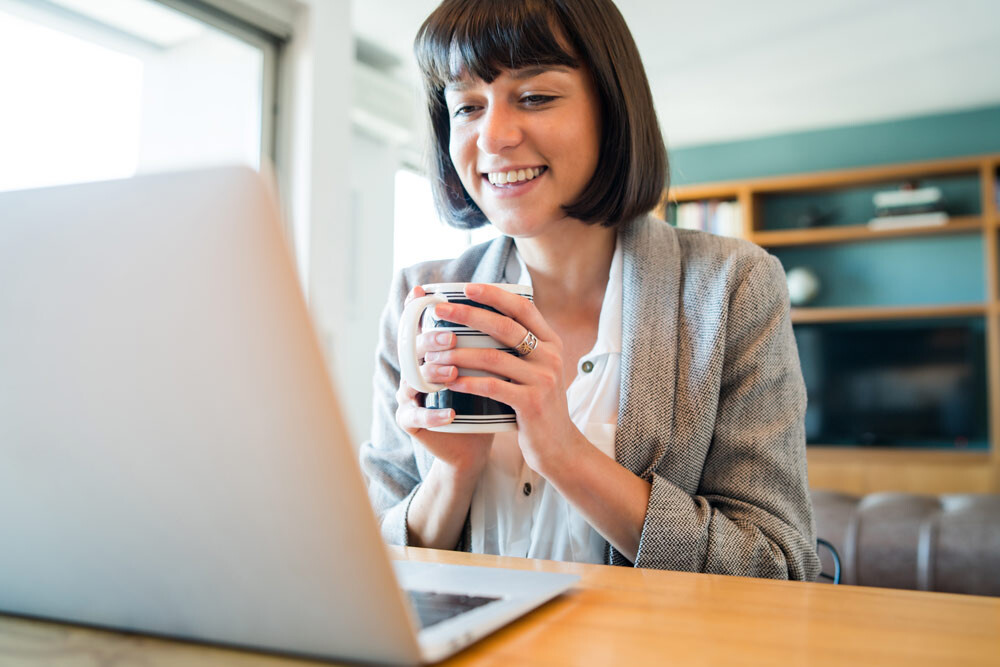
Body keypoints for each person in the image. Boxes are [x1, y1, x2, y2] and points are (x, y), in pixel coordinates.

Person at [360, 0, 820, 580]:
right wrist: (452, 475)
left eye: (535, 98)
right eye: (468, 107)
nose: (493, 137)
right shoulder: (421, 298)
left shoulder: (732, 289)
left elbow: (780, 567)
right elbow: (371, 562)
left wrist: (565, 454)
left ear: (611, 108)